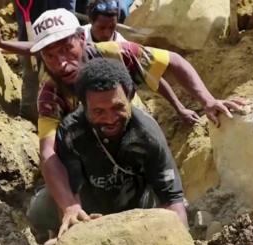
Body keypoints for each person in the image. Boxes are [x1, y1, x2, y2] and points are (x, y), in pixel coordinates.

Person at [0, 9, 244, 237]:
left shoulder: (117, 55)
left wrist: (207, 100)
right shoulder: (51, 95)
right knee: (43, 210)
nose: (61, 63)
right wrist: (69, 206)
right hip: (89, 163)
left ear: (81, 38)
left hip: (135, 151)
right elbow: (49, 153)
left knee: (165, 202)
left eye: (67, 49)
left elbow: (173, 62)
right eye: (51, 55)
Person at [27, 58, 188, 235]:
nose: (110, 119)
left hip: (138, 211)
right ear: (84, 105)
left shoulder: (146, 134)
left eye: (118, 107)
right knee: (40, 209)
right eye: (98, 111)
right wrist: (74, 230)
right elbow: (72, 195)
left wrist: (180, 239)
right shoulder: (72, 132)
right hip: (93, 212)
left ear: (130, 95)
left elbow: (172, 198)